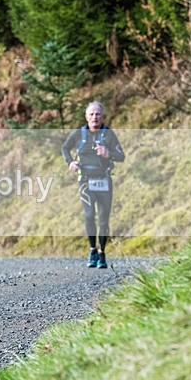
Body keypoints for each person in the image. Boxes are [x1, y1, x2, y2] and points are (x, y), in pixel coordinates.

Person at [61, 101, 125, 269]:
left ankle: (102, 253)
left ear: (102, 116)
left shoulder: (108, 134)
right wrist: (70, 163)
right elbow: (65, 148)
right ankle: (92, 250)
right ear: (86, 117)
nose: (95, 117)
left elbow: (121, 156)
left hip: (104, 180)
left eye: (98, 114)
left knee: (103, 220)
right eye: (91, 114)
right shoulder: (78, 134)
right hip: (85, 181)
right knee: (89, 215)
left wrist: (107, 153)